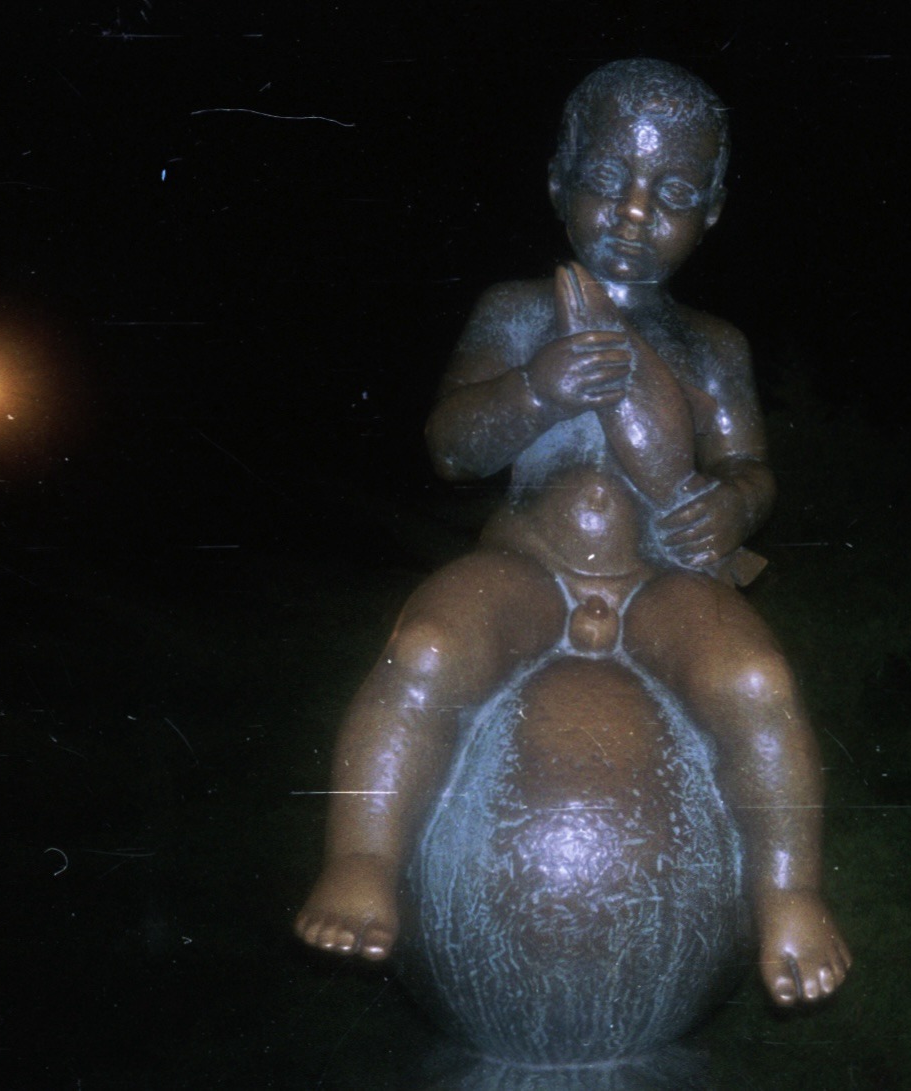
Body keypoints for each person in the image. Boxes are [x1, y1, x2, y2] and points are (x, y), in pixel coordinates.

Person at [295, 59, 850, 1006]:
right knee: (427, 650)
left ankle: (789, 893)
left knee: (753, 684)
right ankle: (361, 860)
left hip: (662, 580)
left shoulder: (713, 346)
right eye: (607, 180)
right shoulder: (519, 313)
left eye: (672, 193)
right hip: (528, 565)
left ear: (711, 210)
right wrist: (534, 389)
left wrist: (734, 503)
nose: (635, 212)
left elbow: (748, 467)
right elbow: (452, 448)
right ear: (559, 182)